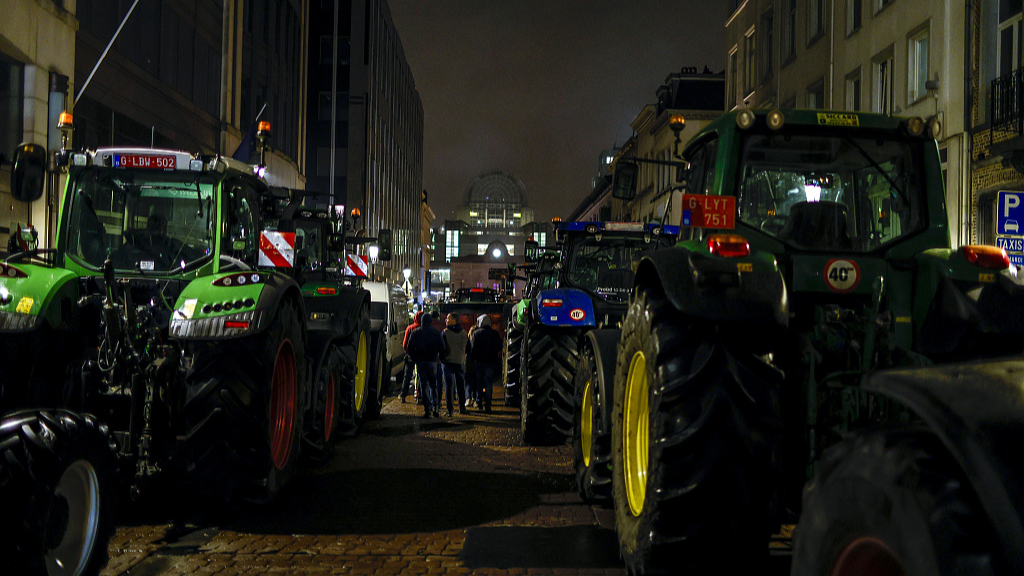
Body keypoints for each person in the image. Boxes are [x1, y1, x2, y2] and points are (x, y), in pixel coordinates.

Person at [405, 313, 446, 418]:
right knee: (433, 385)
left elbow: (409, 347)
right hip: (432, 361)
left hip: (421, 361)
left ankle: (427, 409)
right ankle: (435, 406)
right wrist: (439, 358)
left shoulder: (416, 332)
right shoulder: (436, 333)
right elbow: (442, 347)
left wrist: (415, 358)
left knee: (424, 385)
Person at [467, 314, 503, 413]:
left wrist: (473, 359)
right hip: (491, 361)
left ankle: (479, 402)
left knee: (479, 382)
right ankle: (488, 403)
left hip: (479, 361)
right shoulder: (495, 334)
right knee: (489, 383)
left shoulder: (477, 333)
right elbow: (500, 347)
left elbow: (473, 348)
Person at [441, 313, 469, 416]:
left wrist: (442, 358)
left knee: (449, 387)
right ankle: (462, 407)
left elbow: (441, 347)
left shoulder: (445, 332)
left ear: (454, 320)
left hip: (447, 362)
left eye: (448, 318)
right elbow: (468, 348)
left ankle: (450, 410)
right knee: (460, 386)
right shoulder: (464, 333)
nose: (446, 320)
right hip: (460, 361)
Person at [400, 310, 423, 403]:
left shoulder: (410, 328)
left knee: (407, 376)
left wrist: (407, 352)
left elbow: (405, 343)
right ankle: (419, 396)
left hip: (410, 356)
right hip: (421, 356)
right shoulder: (424, 329)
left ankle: (403, 395)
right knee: (421, 376)